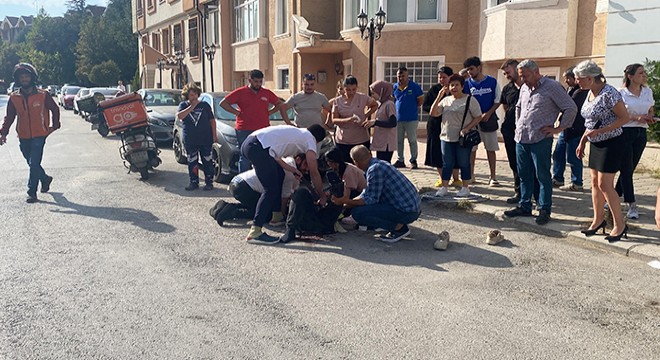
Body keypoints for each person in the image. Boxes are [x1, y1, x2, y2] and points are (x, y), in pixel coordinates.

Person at [504, 59, 577, 225]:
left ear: (536, 72)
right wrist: (518, 125)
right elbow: (518, 108)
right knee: (523, 174)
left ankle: (544, 209)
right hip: (521, 138)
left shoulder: (552, 87)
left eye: (526, 76)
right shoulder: (523, 88)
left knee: (542, 175)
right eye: (521, 76)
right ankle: (525, 205)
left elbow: (570, 108)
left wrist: (559, 128)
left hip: (540, 139)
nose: (523, 79)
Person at [241, 124, 327, 244]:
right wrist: (322, 195)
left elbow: (277, 158)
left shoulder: (296, 133)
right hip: (258, 148)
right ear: (318, 141)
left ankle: (277, 216)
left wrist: (294, 170)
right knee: (270, 190)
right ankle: (255, 231)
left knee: (279, 174)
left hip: (250, 143)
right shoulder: (310, 140)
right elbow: (314, 172)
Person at [575, 60, 630, 242]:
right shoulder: (590, 92)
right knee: (595, 183)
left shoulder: (610, 93)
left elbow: (624, 118)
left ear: (590, 78)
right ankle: (598, 220)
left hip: (612, 142)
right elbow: (590, 122)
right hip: (596, 142)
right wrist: (583, 140)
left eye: (579, 78)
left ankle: (619, 224)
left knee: (605, 184)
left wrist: (600, 131)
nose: (577, 81)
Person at [332, 145, 421, 243]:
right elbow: (366, 193)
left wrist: (345, 201)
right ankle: (395, 224)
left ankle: (399, 229)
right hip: (412, 207)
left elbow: (370, 200)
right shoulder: (378, 164)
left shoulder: (374, 170)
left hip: (407, 211)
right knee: (358, 207)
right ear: (370, 153)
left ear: (355, 162)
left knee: (358, 213)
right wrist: (345, 205)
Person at [0, 63, 60, 203]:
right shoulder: (14, 98)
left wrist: (54, 125)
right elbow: (9, 117)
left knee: (34, 163)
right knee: (31, 162)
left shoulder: (43, 95)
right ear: (18, 79)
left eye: (27, 76)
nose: (24, 79)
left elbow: (55, 109)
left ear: (32, 77)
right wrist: (3, 133)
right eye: (22, 77)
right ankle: (45, 178)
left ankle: (31, 192)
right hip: (23, 135)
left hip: (40, 134)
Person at [220, 69, 290, 172]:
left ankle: (261, 179)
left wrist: (270, 112)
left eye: (260, 82)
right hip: (244, 129)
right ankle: (242, 181)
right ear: (250, 80)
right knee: (245, 157)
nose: (258, 84)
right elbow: (223, 103)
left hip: (263, 129)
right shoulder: (240, 92)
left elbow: (279, 104)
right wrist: (237, 113)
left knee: (264, 155)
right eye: (256, 81)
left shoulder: (266, 93)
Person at [212, 155, 306, 226]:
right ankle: (230, 211)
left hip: (238, 182)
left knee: (258, 206)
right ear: (298, 160)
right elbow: (284, 197)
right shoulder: (290, 171)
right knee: (264, 214)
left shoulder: (286, 161)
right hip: (244, 187)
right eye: (306, 164)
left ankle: (222, 207)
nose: (307, 169)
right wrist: (282, 216)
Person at [430, 73, 482, 198]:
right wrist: (439, 96)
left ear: (462, 86)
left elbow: (478, 116)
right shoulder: (446, 100)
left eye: (457, 85)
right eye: (451, 85)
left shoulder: (470, 100)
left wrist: (467, 128)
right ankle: (444, 187)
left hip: (462, 137)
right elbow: (433, 113)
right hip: (446, 136)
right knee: (447, 163)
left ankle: (465, 187)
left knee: (464, 162)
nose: (454, 87)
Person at [615, 63, 656, 219]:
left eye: (644, 73)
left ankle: (613, 195)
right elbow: (619, 113)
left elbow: (650, 108)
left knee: (630, 168)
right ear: (630, 76)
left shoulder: (647, 91)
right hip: (625, 131)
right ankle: (631, 204)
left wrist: (650, 116)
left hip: (641, 132)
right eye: (640, 73)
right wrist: (635, 117)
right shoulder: (621, 93)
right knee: (626, 168)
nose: (644, 75)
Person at [499, 59, 540, 205]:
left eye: (508, 72)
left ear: (517, 69)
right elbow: (505, 106)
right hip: (510, 130)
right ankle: (520, 193)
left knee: (532, 165)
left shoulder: (531, 86)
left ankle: (537, 196)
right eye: (504, 73)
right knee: (515, 163)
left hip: (530, 132)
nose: (506, 75)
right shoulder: (507, 88)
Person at [463, 56, 501, 186]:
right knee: (471, 149)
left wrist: (488, 113)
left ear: (479, 67)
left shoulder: (492, 82)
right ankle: (471, 175)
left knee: (490, 148)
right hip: (472, 121)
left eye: (472, 69)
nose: (470, 72)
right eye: (468, 70)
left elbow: (497, 100)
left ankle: (493, 177)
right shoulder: (467, 84)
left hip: (488, 120)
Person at [551, 67, 588, 192]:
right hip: (565, 128)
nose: (566, 80)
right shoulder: (569, 90)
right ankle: (557, 178)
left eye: (568, 78)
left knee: (573, 156)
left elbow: (567, 107)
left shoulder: (580, 92)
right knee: (558, 154)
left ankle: (577, 182)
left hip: (575, 129)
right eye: (565, 78)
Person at [423, 66, 461, 187]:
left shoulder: (456, 90)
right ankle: (441, 177)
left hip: (452, 125)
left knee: (454, 151)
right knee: (437, 151)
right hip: (435, 125)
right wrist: (439, 109)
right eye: (440, 77)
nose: (442, 80)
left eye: (444, 77)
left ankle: (456, 178)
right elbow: (426, 106)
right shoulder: (434, 90)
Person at [176, 82, 217, 191]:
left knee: (207, 161)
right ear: (187, 95)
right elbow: (180, 116)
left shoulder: (205, 106)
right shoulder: (183, 105)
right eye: (191, 95)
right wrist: (192, 107)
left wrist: (214, 135)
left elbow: (212, 121)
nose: (193, 97)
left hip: (205, 138)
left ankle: (209, 182)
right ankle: (193, 182)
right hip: (190, 139)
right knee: (192, 161)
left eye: (195, 94)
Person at [330, 75, 378, 163]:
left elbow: (375, 105)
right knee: (345, 165)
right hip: (343, 140)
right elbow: (334, 119)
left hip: (361, 139)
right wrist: (347, 120)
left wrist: (365, 115)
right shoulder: (337, 101)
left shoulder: (362, 97)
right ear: (343, 88)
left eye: (354, 89)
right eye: (348, 90)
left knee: (363, 164)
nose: (351, 92)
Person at [324, 146, 368, 225]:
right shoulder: (342, 168)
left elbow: (346, 198)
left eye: (329, 162)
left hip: (362, 195)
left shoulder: (348, 172)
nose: (328, 165)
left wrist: (335, 205)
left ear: (335, 163)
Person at [392, 67, 424, 169]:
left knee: (412, 140)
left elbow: (420, 100)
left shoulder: (414, 87)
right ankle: (400, 160)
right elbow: (393, 100)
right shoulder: (395, 87)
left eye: (403, 76)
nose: (401, 78)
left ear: (407, 76)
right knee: (399, 140)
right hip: (398, 119)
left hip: (411, 119)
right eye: (399, 76)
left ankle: (413, 160)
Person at [364, 80, 397, 162]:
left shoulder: (389, 104)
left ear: (381, 92)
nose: (372, 96)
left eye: (373, 93)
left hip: (386, 143)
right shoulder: (382, 104)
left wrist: (375, 122)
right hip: (381, 141)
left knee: (384, 163)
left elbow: (392, 123)